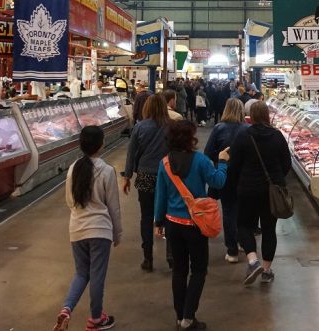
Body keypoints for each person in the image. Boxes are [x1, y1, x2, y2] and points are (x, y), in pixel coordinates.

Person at [154, 120, 229, 330]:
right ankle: (188, 318)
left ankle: (180, 317)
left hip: (173, 224)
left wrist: (158, 221)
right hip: (196, 225)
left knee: (179, 270)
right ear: (190, 137)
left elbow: (160, 195)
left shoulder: (165, 163)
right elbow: (218, 182)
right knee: (198, 270)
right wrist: (223, 162)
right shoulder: (201, 161)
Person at [53, 126, 121, 331]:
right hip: (100, 230)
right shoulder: (107, 171)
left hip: (77, 229)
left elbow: (69, 200)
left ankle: (66, 309)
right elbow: (113, 206)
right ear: (101, 144)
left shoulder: (74, 168)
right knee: (97, 275)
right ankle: (96, 318)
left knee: (81, 274)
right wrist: (117, 233)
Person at [227, 100, 291, 286]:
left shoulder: (243, 136)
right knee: (269, 229)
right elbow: (286, 163)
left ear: (251, 116)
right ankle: (267, 269)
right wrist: (277, 179)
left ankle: (253, 261)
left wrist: (234, 184)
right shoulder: (277, 136)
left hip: (247, 189)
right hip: (272, 192)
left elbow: (234, 165)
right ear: (267, 115)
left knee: (244, 225)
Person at [122, 94, 170, 272]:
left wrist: (127, 177)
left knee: (146, 216)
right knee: (168, 214)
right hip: (167, 176)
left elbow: (131, 153)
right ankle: (171, 255)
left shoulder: (140, 126)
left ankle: (148, 257)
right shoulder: (170, 127)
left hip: (145, 175)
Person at [203, 98, 249, 263]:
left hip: (225, 176)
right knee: (243, 212)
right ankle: (244, 242)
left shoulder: (219, 128)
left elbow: (207, 152)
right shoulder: (247, 129)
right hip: (245, 177)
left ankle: (232, 250)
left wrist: (221, 159)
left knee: (229, 211)